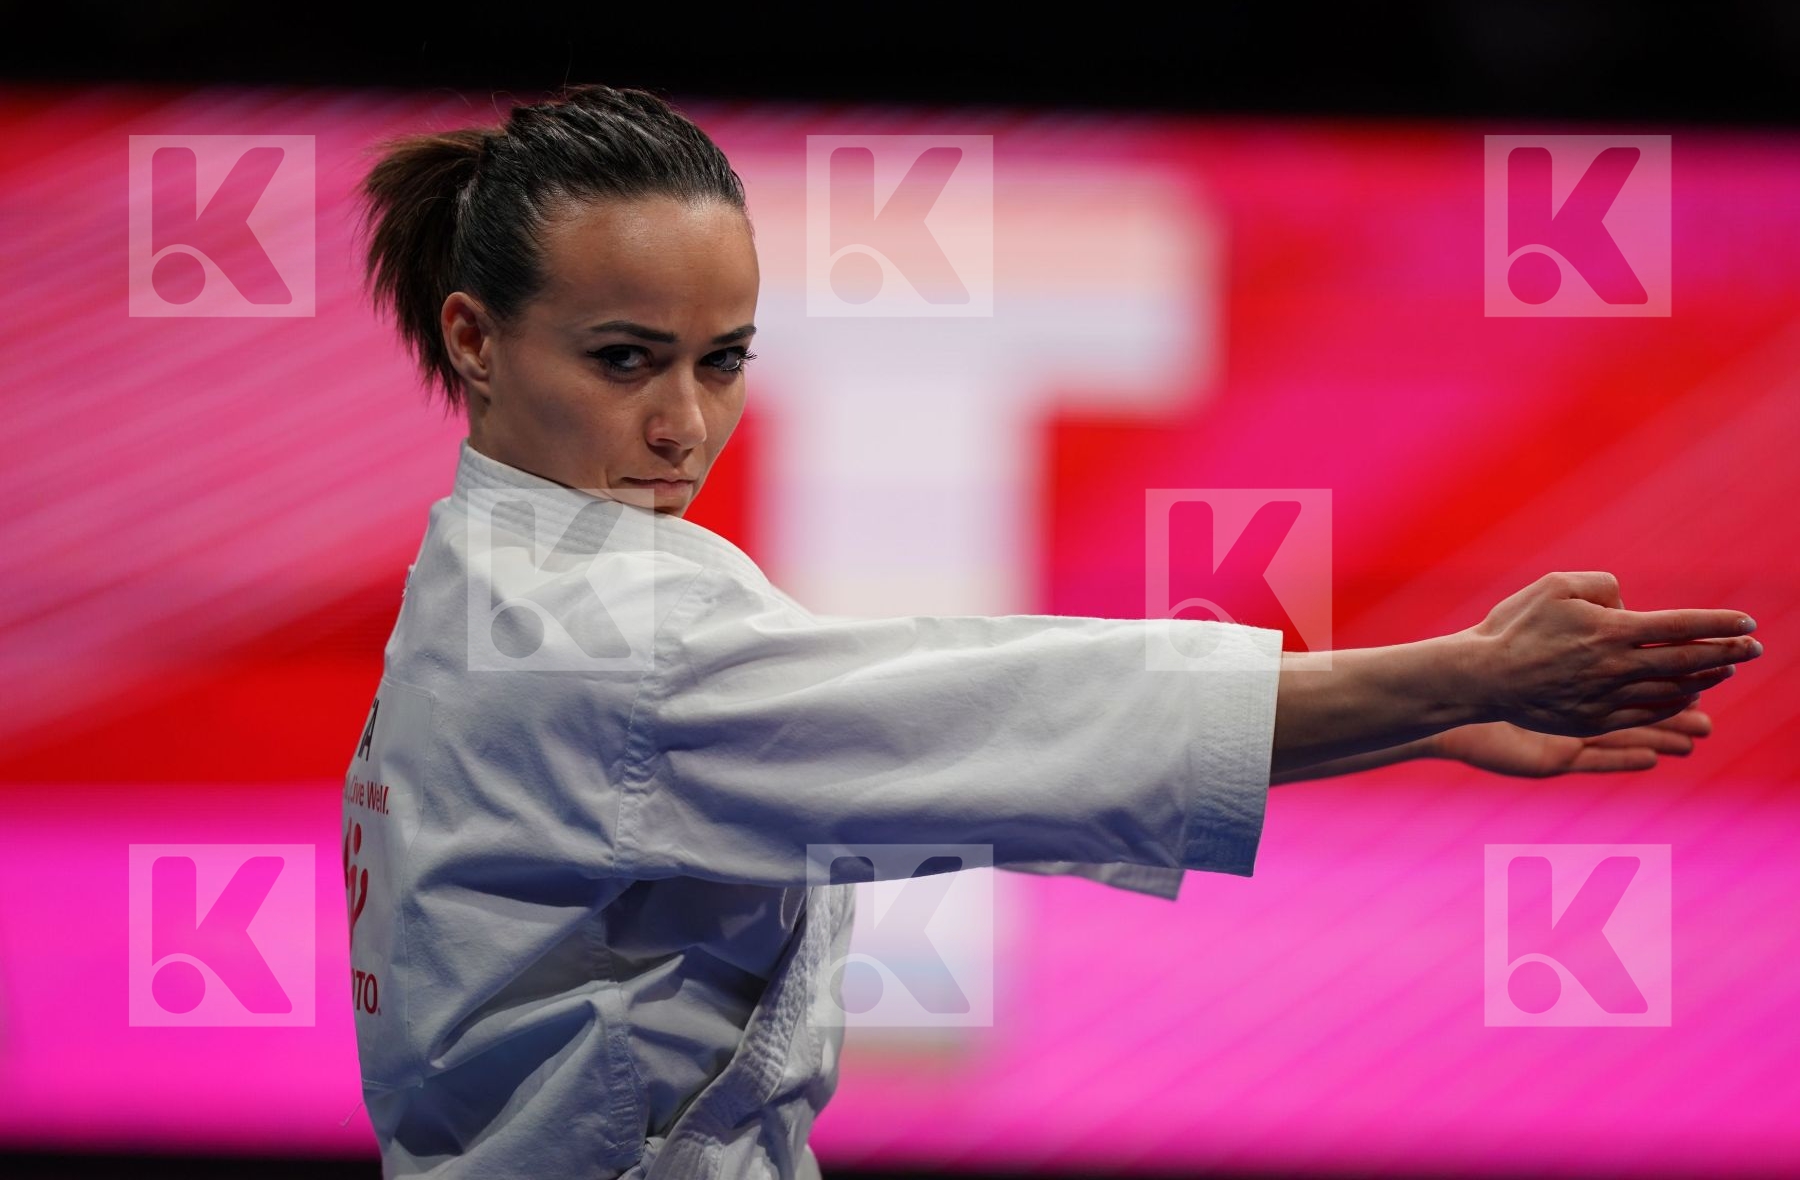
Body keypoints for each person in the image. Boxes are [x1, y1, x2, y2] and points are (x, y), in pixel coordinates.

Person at [341, 84, 1764, 1179]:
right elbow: (1015, 719)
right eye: (624, 361)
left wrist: (1422, 715)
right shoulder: (607, 628)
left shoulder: (483, 582)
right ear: (476, 339)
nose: (683, 423)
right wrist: (1447, 674)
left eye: (722, 363)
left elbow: (987, 752)